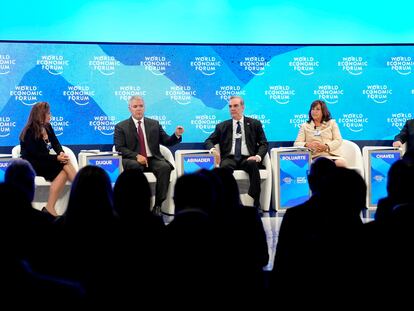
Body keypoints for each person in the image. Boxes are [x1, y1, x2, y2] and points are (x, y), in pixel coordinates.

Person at [114, 95, 184, 216]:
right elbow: (119, 147)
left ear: (144, 107)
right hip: (132, 159)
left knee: (164, 167)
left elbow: (167, 141)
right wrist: (136, 156)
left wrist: (176, 135)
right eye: (135, 106)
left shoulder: (154, 124)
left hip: (153, 159)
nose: (138, 109)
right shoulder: (121, 126)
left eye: (141, 106)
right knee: (135, 167)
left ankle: (157, 206)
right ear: (129, 108)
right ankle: (136, 206)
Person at [204, 96, 268, 209]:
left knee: (253, 165)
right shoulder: (222, 126)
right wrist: (213, 150)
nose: (232, 109)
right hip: (230, 158)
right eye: (230, 106)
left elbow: (264, 143)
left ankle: (255, 200)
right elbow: (208, 141)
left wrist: (257, 157)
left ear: (242, 107)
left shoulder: (254, 124)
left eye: (235, 106)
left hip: (248, 158)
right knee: (224, 168)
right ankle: (228, 201)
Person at [19, 101, 77, 216]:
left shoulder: (48, 127)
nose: (51, 116)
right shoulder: (29, 131)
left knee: (65, 164)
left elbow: (56, 144)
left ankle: (50, 207)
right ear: (40, 114)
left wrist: (61, 153)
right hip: (33, 163)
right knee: (64, 165)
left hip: (45, 161)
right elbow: (37, 155)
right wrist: (57, 158)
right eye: (48, 113)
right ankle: (83, 190)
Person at [294, 99, 346, 166]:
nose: (314, 111)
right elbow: (296, 143)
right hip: (314, 157)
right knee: (324, 164)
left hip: (331, 155)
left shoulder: (332, 123)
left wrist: (326, 146)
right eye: (312, 109)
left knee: (341, 163)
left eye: (317, 109)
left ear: (323, 111)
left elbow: (338, 140)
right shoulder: (304, 126)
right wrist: (307, 144)